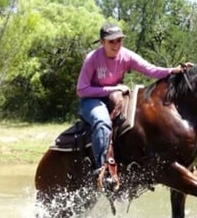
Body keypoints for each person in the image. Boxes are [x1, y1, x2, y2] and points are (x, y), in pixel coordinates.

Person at [77, 23, 190, 184]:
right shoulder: (92, 58)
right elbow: (82, 90)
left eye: (119, 41)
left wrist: (172, 70)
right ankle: (101, 169)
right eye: (111, 41)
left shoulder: (126, 55)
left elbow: (150, 70)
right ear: (102, 42)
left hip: (116, 97)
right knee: (102, 122)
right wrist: (112, 89)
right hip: (92, 100)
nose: (116, 45)